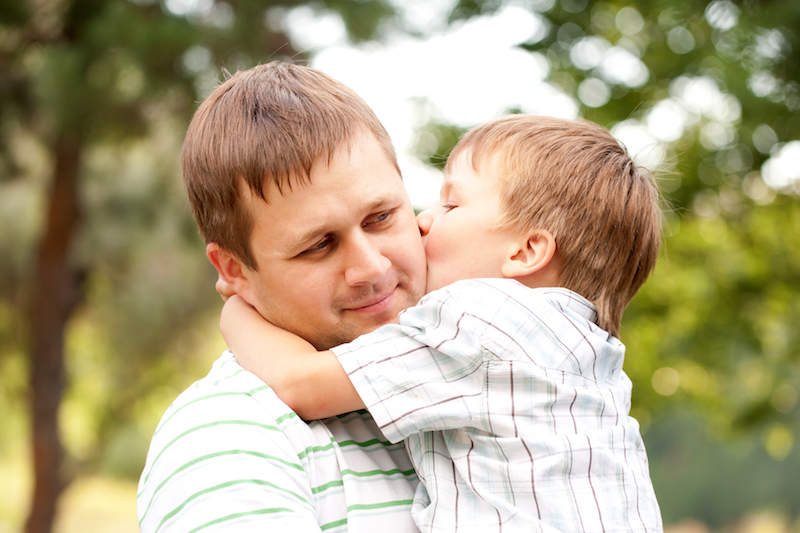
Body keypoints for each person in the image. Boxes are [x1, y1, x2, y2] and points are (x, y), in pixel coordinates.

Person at [221, 114, 665, 532]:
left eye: (451, 204)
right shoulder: (587, 349)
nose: (425, 220)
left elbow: (300, 384)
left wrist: (241, 304)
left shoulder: (479, 322)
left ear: (525, 252)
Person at [136, 62, 428, 532]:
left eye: (381, 217)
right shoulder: (228, 438)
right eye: (318, 245)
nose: (372, 268)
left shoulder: (488, 348)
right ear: (235, 271)